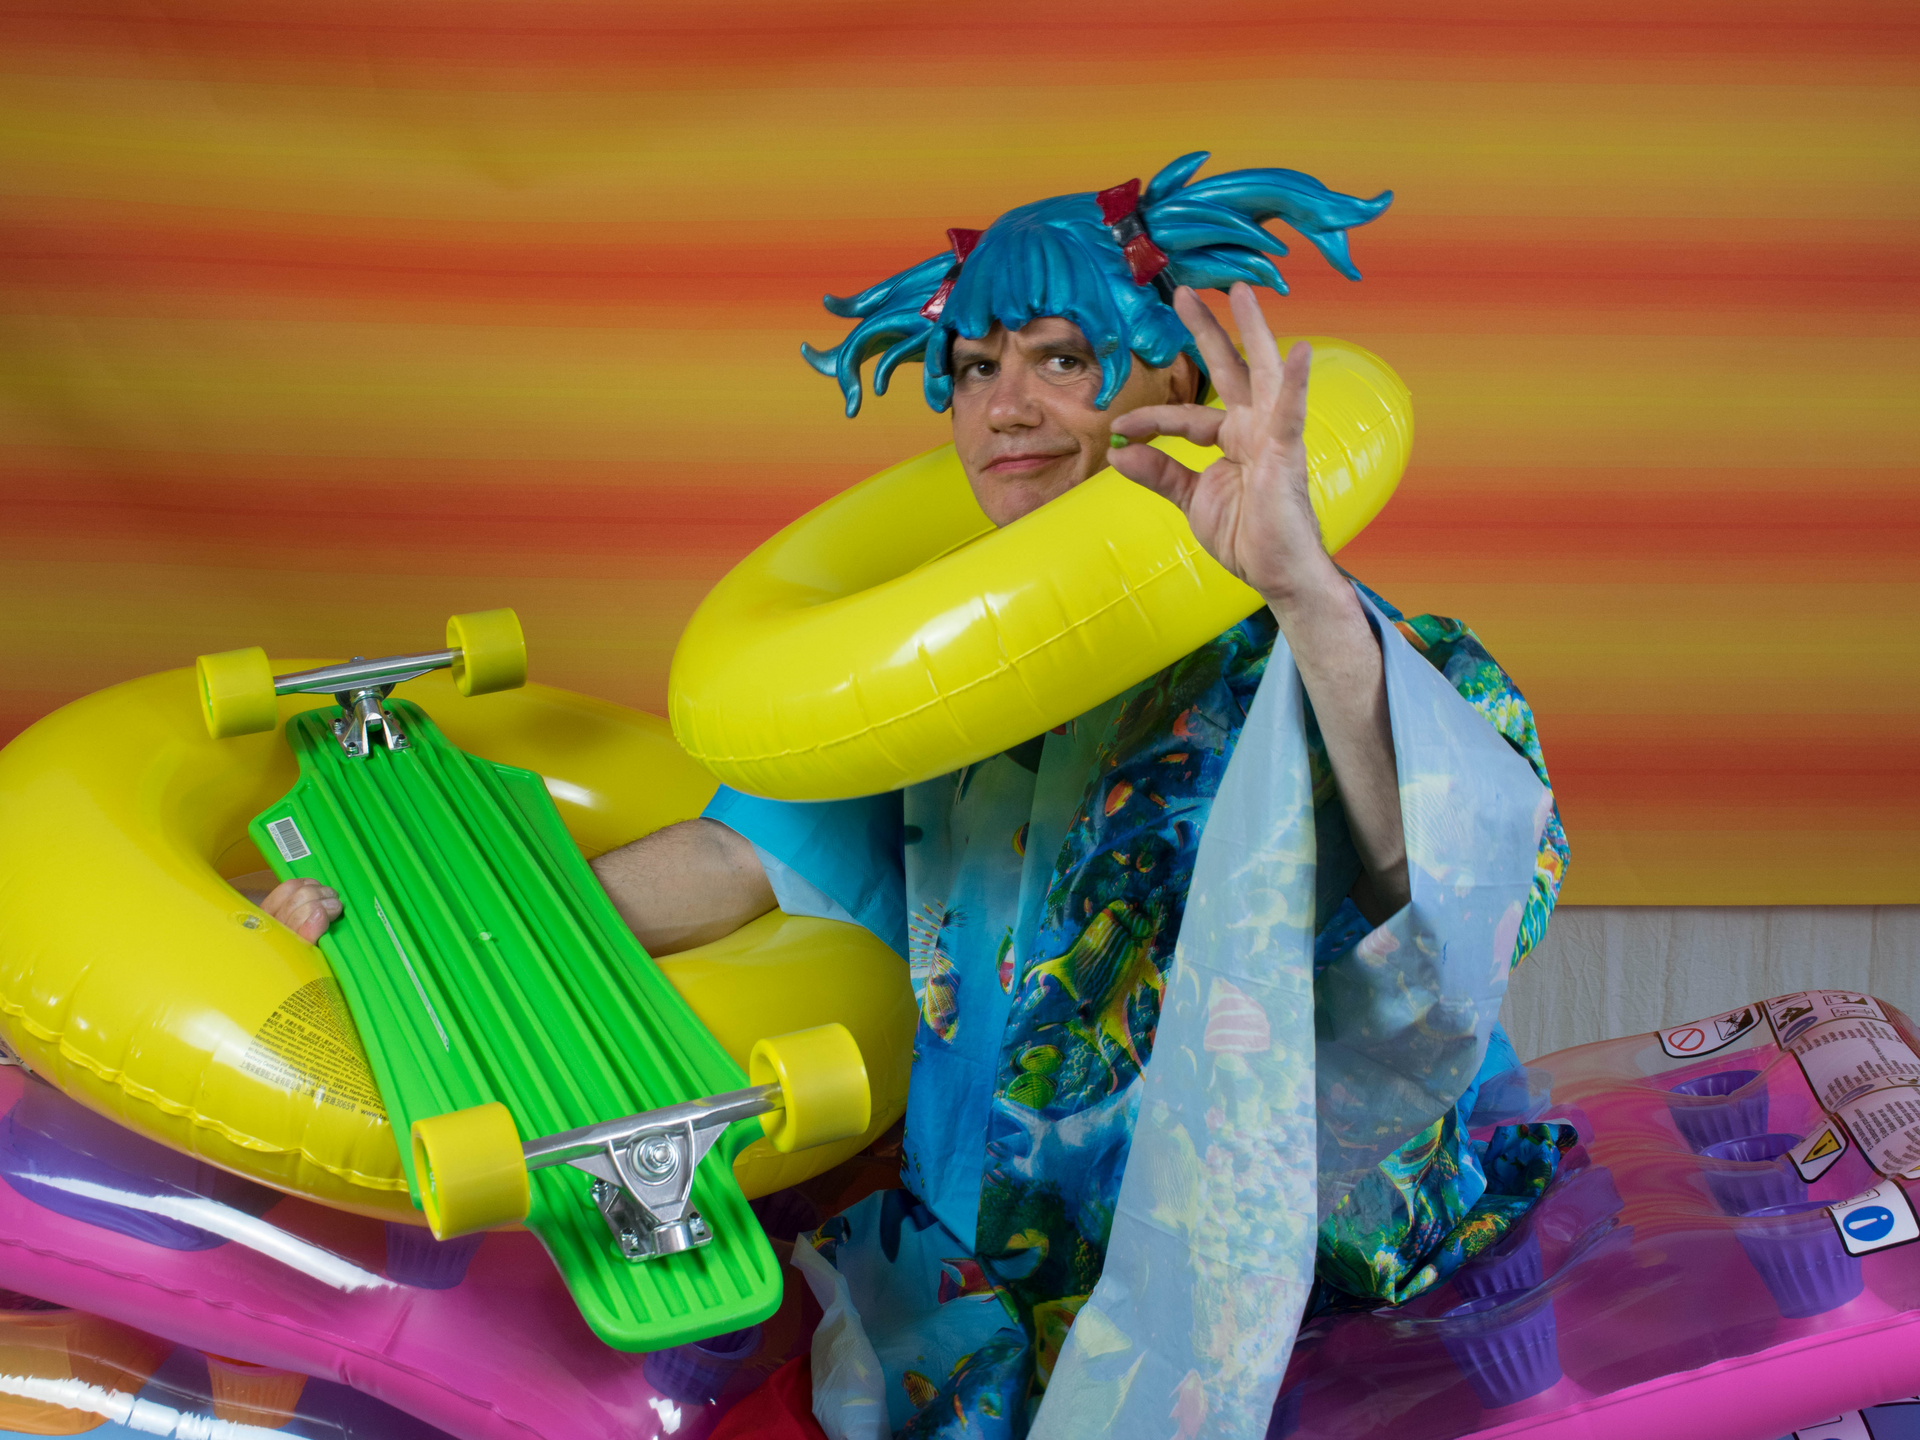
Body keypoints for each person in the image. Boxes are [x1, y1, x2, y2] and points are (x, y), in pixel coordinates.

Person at [265, 152, 1571, 1440]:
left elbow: (1459, 894)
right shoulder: (939, 685)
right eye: (975, 369)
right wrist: (416, 926)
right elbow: (737, 863)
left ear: (1174, 381)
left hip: (1298, 1283)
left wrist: (1301, 591)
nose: (1005, 409)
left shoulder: (1334, 647)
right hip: (998, 1285)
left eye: (1063, 360)